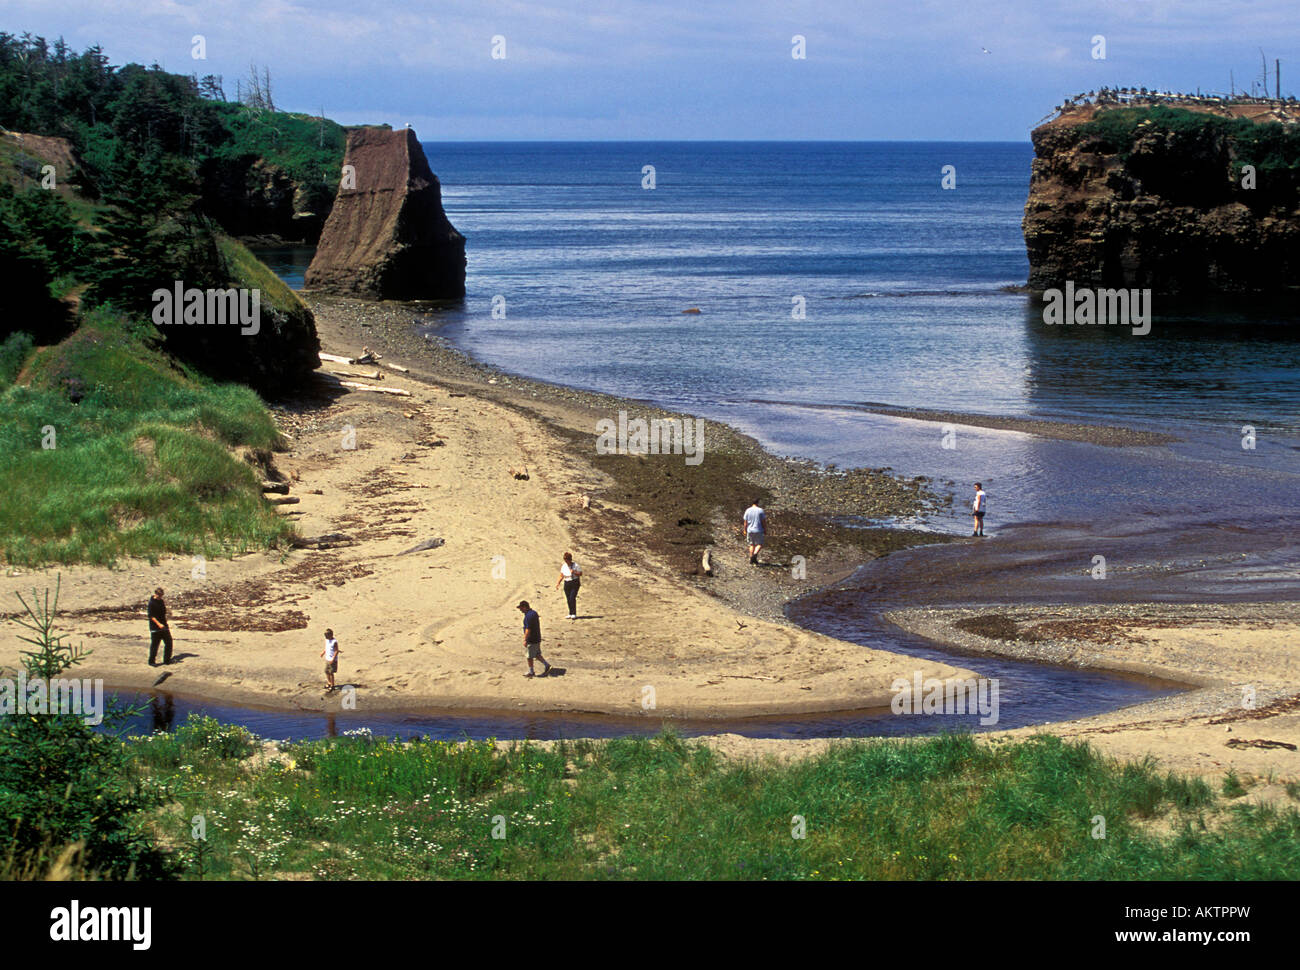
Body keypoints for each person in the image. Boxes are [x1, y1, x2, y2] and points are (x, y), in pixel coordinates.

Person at [517, 600, 551, 678]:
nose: (520, 610)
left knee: (529, 657)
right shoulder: (533, 613)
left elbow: (528, 629)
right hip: (537, 637)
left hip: (532, 639)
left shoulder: (528, 616)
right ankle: (547, 665)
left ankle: (531, 672)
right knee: (537, 654)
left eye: (521, 608)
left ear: (525, 607)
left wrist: (525, 640)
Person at [147, 587, 173, 666]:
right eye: (159, 595)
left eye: (161, 596)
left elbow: (163, 612)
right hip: (155, 627)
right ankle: (151, 661)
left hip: (164, 625)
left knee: (169, 642)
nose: (160, 597)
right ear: (156, 594)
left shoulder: (161, 601)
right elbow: (151, 616)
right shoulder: (151, 603)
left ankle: (167, 660)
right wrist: (159, 624)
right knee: (155, 644)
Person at [555, 552, 583, 619]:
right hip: (567, 582)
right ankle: (570, 613)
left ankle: (574, 613)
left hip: (574, 582)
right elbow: (561, 575)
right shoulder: (564, 566)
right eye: (565, 560)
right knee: (568, 598)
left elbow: (580, 573)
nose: (566, 561)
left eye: (567, 560)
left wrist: (574, 572)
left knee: (572, 598)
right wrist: (558, 583)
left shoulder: (575, 565)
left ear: (570, 559)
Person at [741, 500, 768, 565]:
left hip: (750, 530)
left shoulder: (748, 510)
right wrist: (765, 529)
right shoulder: (760, 510)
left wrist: (745, 530)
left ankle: (751, 558)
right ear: (757, 503)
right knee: (759, 544)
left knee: (751, 544)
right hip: (759, 530)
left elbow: (745, 522)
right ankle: (754, 555)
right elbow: (763, 521)